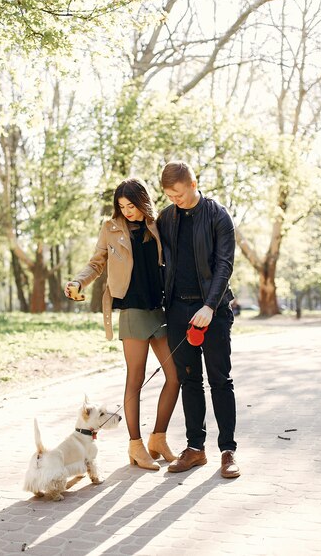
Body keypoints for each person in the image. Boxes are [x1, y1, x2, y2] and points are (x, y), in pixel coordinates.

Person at [64, 178, 180, 471]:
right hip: (132, 309)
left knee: (175, 376)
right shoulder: (111, 228)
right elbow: (96, 263)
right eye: (122, 206)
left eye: (132, 205)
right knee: (135, 379)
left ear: (143, 202)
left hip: (160, 308)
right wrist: (78, 281)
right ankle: (136, 445)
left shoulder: (158, 225)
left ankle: (158, 438)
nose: (127, 211)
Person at [157, 161, 240, 478]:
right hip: (178, 311)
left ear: (193, 184)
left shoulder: (219, 215)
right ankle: (195, 449)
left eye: (178, 193)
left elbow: (224, 265)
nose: (174, 199)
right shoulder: (167, 218)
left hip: (213, 312)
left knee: (220, 380)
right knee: (189, 381)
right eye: (168, 195)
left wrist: (209, 305)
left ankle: (228, 451)